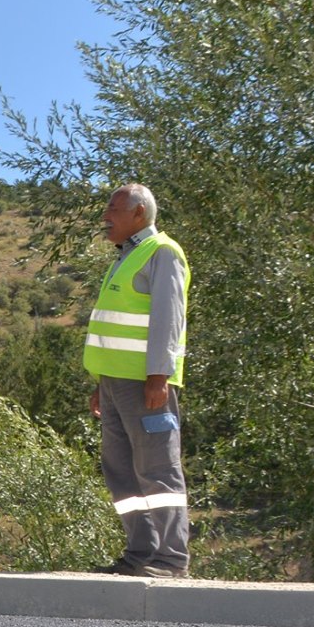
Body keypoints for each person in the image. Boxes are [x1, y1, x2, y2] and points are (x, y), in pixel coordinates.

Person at [86, 183, 191, 577]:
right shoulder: (126, 256)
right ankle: (140, 553)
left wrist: (158, 377)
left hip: (145, 384)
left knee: (157, 467)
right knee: (121, 471)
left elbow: (169, 319)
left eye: (113, 209)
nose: (105, 216)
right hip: (115, 384)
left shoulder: (162, 251)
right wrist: (100, 382)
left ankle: (170, 558)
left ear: (139, 214)